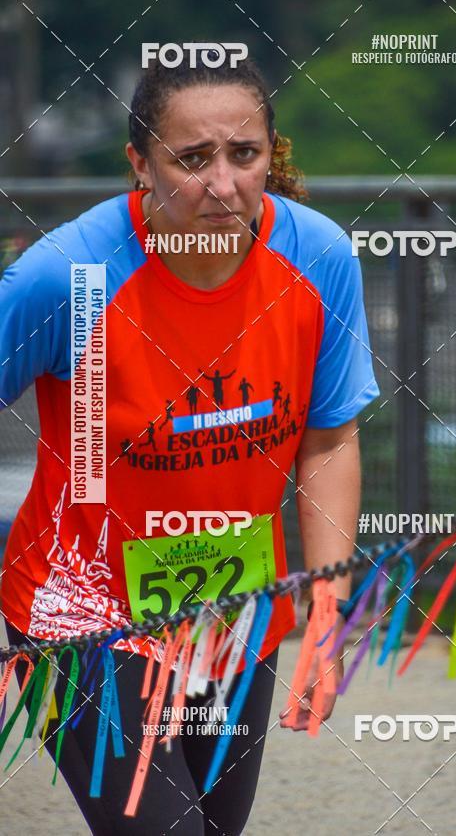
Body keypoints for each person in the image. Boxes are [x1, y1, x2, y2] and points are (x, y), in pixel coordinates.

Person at [0, 53, 380, 834]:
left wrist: (325, 613)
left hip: (231, 607)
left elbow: (330, 438)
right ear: (140, 163)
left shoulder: (319, 257)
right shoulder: (67, 276)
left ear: (271, 156)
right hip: (82, 610)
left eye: (244, 155)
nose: (222, 183)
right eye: (192, 158)